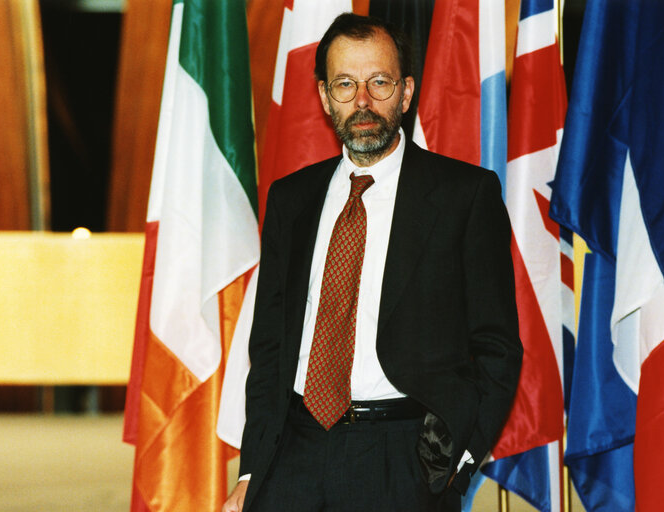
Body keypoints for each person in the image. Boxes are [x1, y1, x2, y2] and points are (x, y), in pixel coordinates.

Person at [223, 13, 522, 512]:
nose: (362, 101)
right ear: (324, 97)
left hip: (404, 463)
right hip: (292, 457)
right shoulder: (291, 200)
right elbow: (269, 350)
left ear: (405, 93)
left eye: (378, 82)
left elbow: (497, 347)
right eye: (345, 84)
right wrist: (253, 470)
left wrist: (457, 460)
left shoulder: (463, 196)